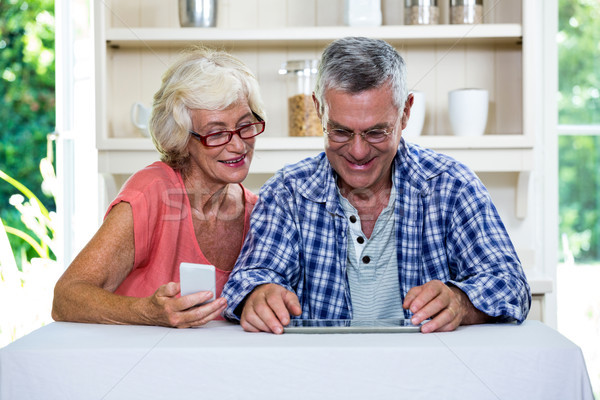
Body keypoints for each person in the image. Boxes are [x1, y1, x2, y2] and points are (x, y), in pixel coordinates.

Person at [222, 36, 531, 334]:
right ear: (319, 111)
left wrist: (461, 303)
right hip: (317, 377)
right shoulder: (287, 191)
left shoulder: (452, 187)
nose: (358, 151)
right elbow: (248, 279)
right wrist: (258, 294)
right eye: (341, 132)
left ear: (405, 112)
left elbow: (511, 285)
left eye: (376, 133)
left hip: (430, 375)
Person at [52, 47, 266, 328]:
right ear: (181, 138)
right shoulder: (151, 191)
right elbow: (66, 297)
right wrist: (146, 312)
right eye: (216, 133)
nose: (238, 145)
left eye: (245, 125)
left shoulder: (259, 213)